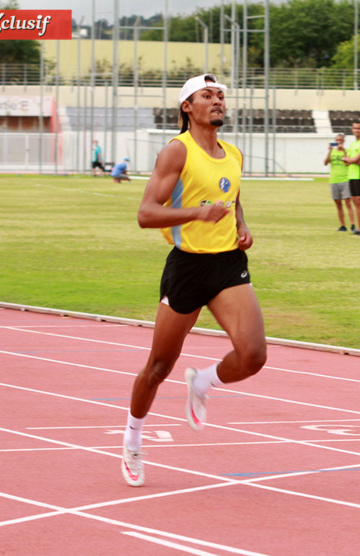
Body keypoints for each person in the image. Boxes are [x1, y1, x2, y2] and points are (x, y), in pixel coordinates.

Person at [121, 74, 267, 487]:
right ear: (188, 106)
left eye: (220, 95)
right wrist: (196, 214)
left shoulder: (233, 152)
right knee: (159, 366)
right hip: (187, 268)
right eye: (207, 95)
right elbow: (146, 214)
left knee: (253, 355)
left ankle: (202, 381)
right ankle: (132, 438)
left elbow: (232, 197)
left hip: (228, 265)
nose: (217, 100)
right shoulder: (176, 151)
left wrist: (241, 224)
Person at [324, 133, 355, 232]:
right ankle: (342, 225)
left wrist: (344, 151)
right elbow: (325, 162)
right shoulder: (332, 152)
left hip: (345, 179)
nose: (339, 142)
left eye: (341, 140)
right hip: (334, 180)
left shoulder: (347, 151)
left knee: (348, 202)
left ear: (343, 141)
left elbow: (348, 163)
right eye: (337, 140)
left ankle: (353, 224)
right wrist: (329, 151)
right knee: (338, 204)